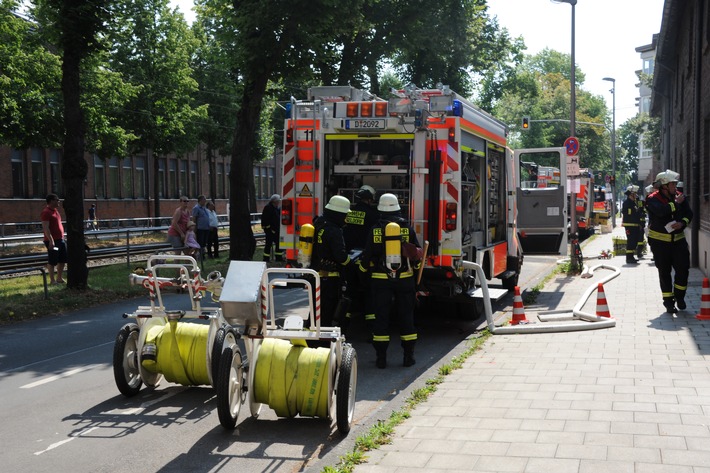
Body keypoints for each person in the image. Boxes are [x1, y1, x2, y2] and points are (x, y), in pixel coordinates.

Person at [359, 193, 423, 369]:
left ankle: (381, 358)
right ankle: (408, 357)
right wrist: (416, 278)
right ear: (397, 208)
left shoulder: (375, 230)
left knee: (381, 318)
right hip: (404, 280)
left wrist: (363, 272)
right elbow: (416, 255)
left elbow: (367, 256)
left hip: (380, 280)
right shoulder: (406, 228)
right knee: (406, 317)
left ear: (380, 209)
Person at [646, 170, 693, 314]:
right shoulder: (652, 198)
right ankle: (668, 303)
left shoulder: (679, 196)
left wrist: (682, 224)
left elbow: (689, 214)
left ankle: (680, 297)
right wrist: (675, 204)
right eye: (673, 184)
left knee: (683, 270)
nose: (676, 186)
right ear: (664, 185)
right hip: (660, 243)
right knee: (664, 272)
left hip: (678, 241)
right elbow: (661, 211)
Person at [310, 195, 353, 327]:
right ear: (338, 214)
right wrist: (350, 264)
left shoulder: (319, 224)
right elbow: (340, 255)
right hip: (329, 279)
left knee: (315, 309)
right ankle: (323, 341)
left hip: (315, 275)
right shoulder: (334, 230)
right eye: (345, 214)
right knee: (328, 310)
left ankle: (311, 336)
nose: (346, 218)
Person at [342, 185, 379, 333]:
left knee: (350, 292)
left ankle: (344, 326)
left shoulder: (349, 213)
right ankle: (370, 329)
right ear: (370, 199)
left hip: (349, 258)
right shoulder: (373, 215)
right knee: (368, 293)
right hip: (365, 260)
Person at [41, 193, 67, 285]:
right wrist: (51, 241)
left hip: (60, 240)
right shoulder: (46, 212)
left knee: (62, 259)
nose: (58, 201)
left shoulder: (55, 211)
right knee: (53, 259)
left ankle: (59, 278)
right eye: (57, 200)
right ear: (51, 201)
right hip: (53, 242)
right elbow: (46, 228)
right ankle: (52, 280)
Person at [621, 185, 642, 264]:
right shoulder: (627, 203)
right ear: (630, 194)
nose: (636, 195)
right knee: (631, 241)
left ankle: (632, 256)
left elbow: (637, 213)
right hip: (630, 225)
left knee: (635, 241)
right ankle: (629, 258)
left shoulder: (633, 203)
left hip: (635, 225)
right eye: (634, 194)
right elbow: (631, 214)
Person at [261, 194, 283, 262]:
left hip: (276, 230)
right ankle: (266, 259)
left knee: (279, 244)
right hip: (270, 231)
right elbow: (265, 220)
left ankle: (279, 258)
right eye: (278, 201)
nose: (278, 203)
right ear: (274, 201)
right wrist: (270, 229)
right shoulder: (268, 208)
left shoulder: (276, 208)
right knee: (268, 245)